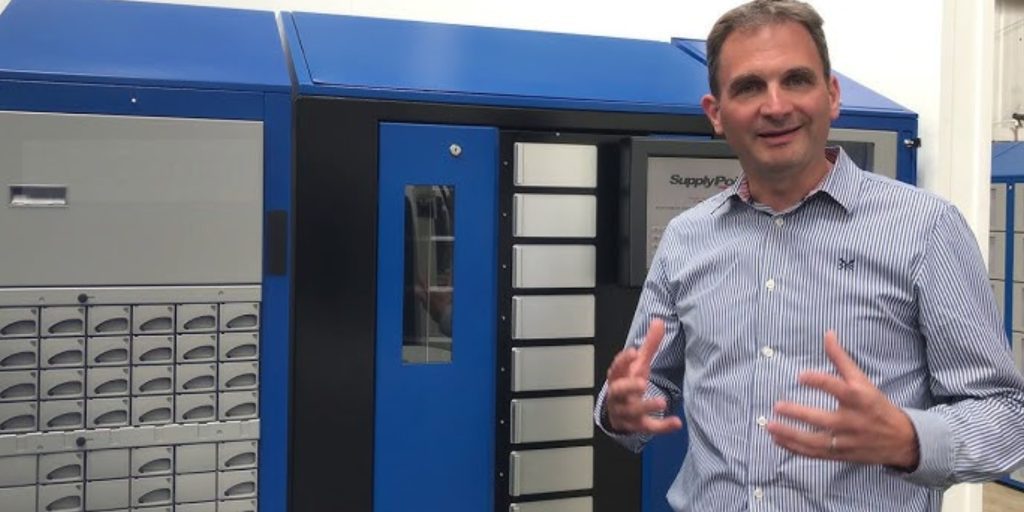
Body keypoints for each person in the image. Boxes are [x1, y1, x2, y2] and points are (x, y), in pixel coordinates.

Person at [594, 1, 1024, 510]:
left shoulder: (924, 229)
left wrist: (912, 438)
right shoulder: (687, 236)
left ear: (832, 96)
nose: (775, 106)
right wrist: (620, 410)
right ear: (716, 114)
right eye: (749, 87)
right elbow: (649, 383)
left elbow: (1005, 415)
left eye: (796, 80)